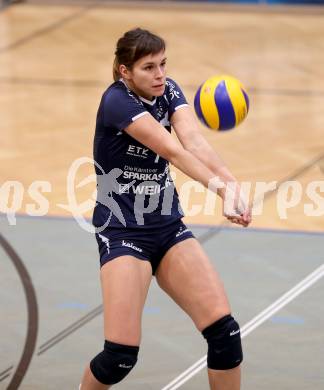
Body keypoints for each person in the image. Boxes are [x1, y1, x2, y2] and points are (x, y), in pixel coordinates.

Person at [80, 28, 251, 390]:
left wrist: (232, 184)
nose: (159, 75)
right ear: (126, 72)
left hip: (167, 227)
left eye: (162, 64)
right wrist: (221, 192)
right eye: (148, 68)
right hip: (124, 233)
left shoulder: (168, 90)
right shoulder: (117, 102)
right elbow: (173, 151)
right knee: (120, 356)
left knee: (225, 335)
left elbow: (194, 141)